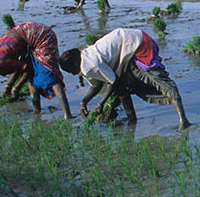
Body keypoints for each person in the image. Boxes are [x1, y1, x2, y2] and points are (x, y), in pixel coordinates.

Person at [58, 28, 191, 130]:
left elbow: (113, 81)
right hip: (127, 44)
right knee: (125, 86)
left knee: (158, 80)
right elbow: (97, 85)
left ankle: (183, 120)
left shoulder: (89, 64)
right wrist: (84, 102)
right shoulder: (85, 59)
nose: (74, 74)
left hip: (138, 43)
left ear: (76, 64)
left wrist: (100, 104)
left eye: (71, 71)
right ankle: (132, 120)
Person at [0, 21, 72, 118]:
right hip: (30, 37)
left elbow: (26, 69)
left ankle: (67, 114)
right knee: (31, 78)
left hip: (42, 37)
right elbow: (20, 68)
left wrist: (16, 87)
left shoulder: (0, 60)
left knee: (49, 75)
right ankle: (37, 111)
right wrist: (8, 87)